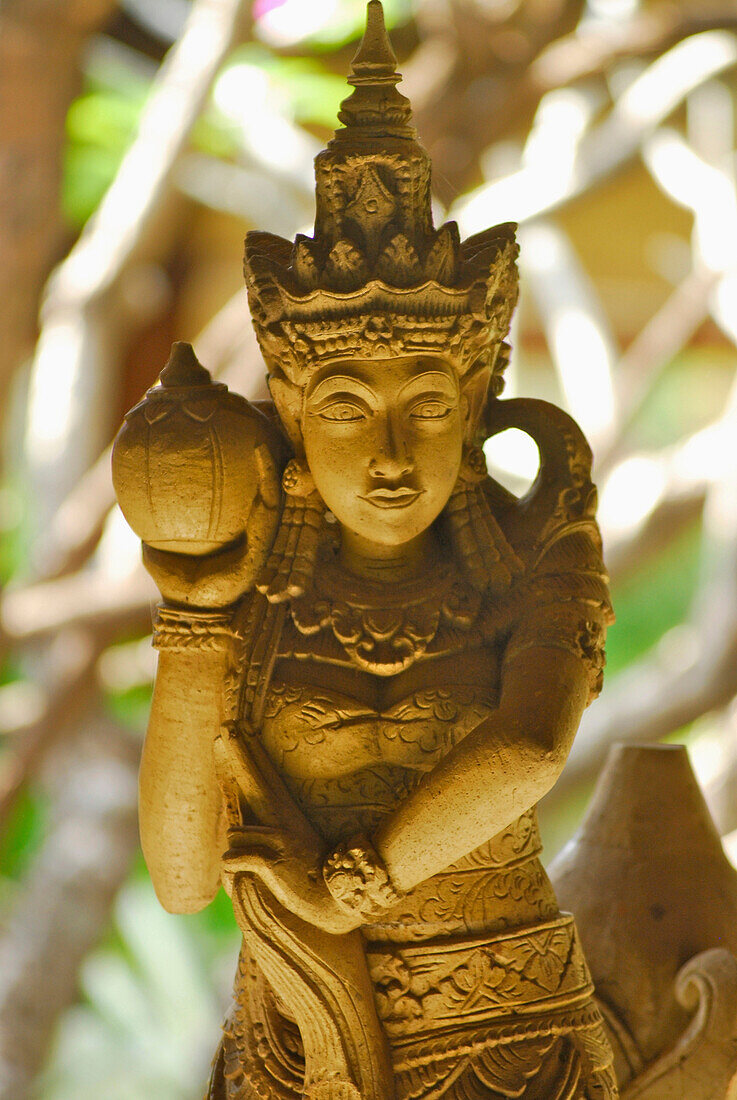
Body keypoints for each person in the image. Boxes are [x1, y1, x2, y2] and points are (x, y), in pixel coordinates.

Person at [134, 4, 618, 1097]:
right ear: (293, 415)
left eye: (428, 405)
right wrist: (193, 620)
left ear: (475, 403)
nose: (391, 453)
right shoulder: (250, 593)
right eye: (349, 409)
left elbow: (532, 743)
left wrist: (359, 881)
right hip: (294, 1038)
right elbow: (177, 874)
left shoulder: (534, 553)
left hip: (506, 1032)